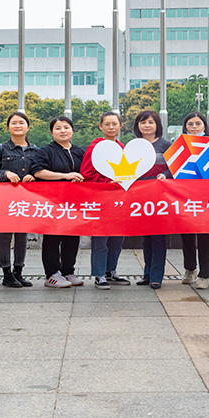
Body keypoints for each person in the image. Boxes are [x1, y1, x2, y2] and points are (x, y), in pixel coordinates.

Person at [30, 116, 86, 289]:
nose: (63, 131)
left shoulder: (79, 151)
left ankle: (68, 271)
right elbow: (38, 172)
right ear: (51, 132)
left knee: (72, 237)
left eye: (66, 127)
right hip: (53, 202)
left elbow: (88, 173)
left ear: (72, 130)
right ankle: (52, 274)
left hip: (74, 203)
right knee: (52, 238)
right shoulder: (46, 151)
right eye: (58, 128)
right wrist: (65, 176)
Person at [0, 111, 37, 288]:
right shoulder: (0, 149)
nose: (17, 126)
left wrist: (33, 176)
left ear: (28, 127)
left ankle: (18, 271)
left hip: (26, 199)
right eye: (13, 123)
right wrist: (5, 173)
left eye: (21, 123)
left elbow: (40, 171)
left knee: (22, 236)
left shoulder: (36, 151)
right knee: (5, 235)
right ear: (8, 128)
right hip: (5, 199)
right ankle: (6, 273)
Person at [178, 111, 209, 290]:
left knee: (206, 237)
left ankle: (204, 275)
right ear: (185, 127)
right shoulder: (179, 148)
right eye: (190, 124)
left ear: (204, 126)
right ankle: (190, 269)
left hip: (207, 200)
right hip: (185, 199)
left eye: (198, 124)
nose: (194, 127)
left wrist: (201, 181)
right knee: (186, 236)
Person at [81, 112, 130, 290]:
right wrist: (107, 183)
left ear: (120, 126)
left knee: (117, 239)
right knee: (100, 239)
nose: (111, 127)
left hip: (118, 201)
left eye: (114, 124)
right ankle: (99, 274)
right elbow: (86, 174)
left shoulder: (122, 147)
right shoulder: (94, 147)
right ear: (100, 126)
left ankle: (111, 270)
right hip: (100, 199)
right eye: (107, 124)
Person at [132, 111, 171, 289]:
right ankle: (147, 274)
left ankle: (157, 276)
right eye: (143, 122)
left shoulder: (166, 145)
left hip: (160, 195)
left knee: (158, 236)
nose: (147, 125)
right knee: (146, 237)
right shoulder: (134, 145)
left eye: (150, 122)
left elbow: (175, 167)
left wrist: (165, 175)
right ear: (137, 126)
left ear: (157, 125)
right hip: (140, 195)